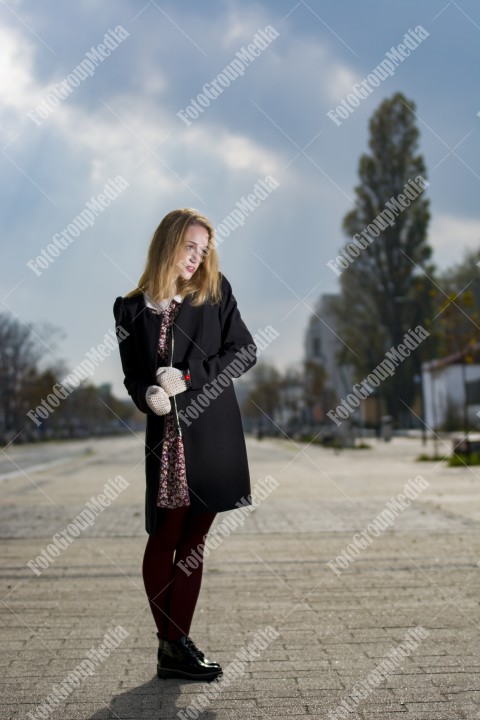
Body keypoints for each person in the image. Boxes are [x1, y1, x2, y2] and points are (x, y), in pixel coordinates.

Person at [113, 208, 257, 682]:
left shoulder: (216, 293)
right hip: (168, 441)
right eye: (189, 246)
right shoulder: (129, 309)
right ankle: (171, 645)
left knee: (194, 542)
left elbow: (244, 351)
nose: (197, 257)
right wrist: (147, 395)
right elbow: (134, 375)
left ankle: (176, 645)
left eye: (204, 248)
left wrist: (191, 378)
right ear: (167, 244)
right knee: (165, 537)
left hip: (212, 436)